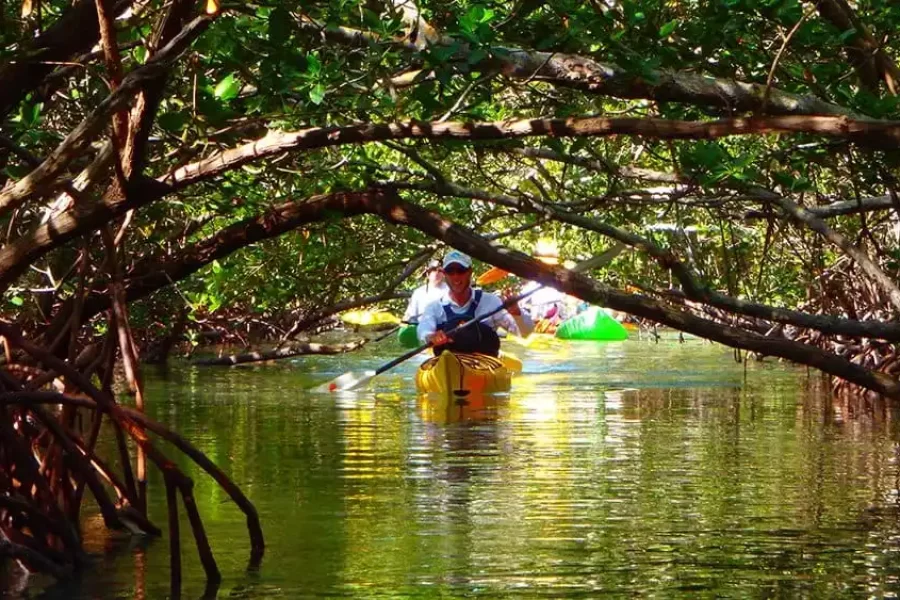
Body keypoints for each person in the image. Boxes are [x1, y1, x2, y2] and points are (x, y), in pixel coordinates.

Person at [417, 250, 534, 357]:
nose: (456, 277)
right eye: (450, 271)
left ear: (470, 272)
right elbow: (423, 331)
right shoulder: (434, 307)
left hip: (485, 365)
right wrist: (431, 337)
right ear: (444, 274)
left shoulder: (491, 302)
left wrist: (516, 313)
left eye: (461, 271)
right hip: (447, 364)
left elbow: (525, 334)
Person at [403, 259, 448, 324]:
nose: (437, 273)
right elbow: (410, 317)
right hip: (424, 329)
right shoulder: (419, 293)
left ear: (444, 274)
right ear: (427, 274)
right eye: (434, 270)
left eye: (440, 271)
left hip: (447, 329)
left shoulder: (450, 289)